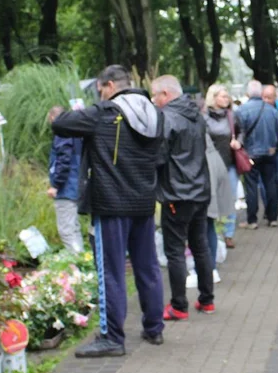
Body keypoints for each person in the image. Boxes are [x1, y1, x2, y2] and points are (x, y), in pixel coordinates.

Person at [52, 65, 165, 357]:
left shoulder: (103, 113)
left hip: (111, 205)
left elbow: (61, 123)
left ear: (111, 85)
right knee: (148, 266)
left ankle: (112, 337)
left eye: (101, 90)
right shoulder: (156, 114)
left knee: (110, 272)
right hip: (143, 202)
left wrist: (77, 108)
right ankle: (154, 328)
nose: (100, 96)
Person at [150, 75, 216, 320]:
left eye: (154, 95)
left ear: (165, 94)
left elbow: (159, 156)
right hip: (200, 189)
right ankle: (207, 300)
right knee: (200, 246)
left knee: (175, 250)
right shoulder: (196, 115)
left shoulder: (167, 117)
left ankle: (179, 305)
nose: (153, 100)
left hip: (178, 193)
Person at [236, 80, 278, 228]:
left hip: (250, 155)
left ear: (248, 93)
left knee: (251, 187)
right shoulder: (272, 110)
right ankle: (272, 218)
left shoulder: (241, 110)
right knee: (270, 184)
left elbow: (239, 134)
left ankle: (252, 220)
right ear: (261, 93)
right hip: (269, 153)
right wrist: (276, 148)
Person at [204, 84, 240, 249]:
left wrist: (238, 142)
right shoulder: (204, 117)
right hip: (211, 165)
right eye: (223, 96)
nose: (227, 99)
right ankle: (215, 233)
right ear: (214, 97)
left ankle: (229, 233)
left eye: (227, 96)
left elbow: (241, 132)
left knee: (230, 199)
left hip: (230, 163)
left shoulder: (232, 116)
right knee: (213, 199)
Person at [47, 106, 84, 253]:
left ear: (52, 118)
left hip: (66, 188)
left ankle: (78, 267)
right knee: (74, 228)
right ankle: (82, 262)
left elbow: (63, 160)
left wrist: (56, 184)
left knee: (66, 230)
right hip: (77, 185)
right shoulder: (78, 134)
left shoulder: (63, 133)